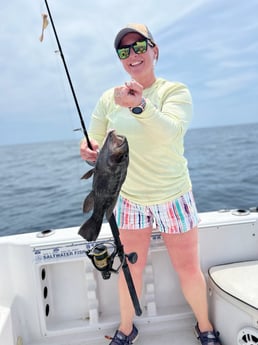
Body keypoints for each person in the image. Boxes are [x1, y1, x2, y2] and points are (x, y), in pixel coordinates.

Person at [80, 23, 222, 345]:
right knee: (130, 269)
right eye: (124, 51)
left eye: (140, 46)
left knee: (188, 269)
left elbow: (170, 132)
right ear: (120, 59)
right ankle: (127, 329)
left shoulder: (175, 92)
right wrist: (87, 149)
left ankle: (205, 328)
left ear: (154, 50)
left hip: (173, 195)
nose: (133, 55)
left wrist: (139, 106)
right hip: (128, 197)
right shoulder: (108, 98)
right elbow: (96, 142)